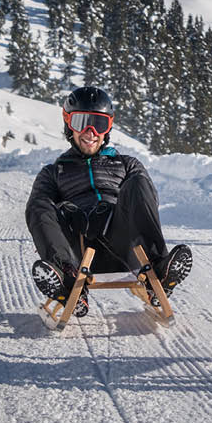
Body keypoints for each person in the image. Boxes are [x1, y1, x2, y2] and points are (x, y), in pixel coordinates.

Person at [25, 85, 192, 315]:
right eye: (82, 122)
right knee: (38, 203)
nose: (91, 132)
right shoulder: (54, 172)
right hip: (77, 249)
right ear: (68, 124)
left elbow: (147, 199)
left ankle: (158, 270)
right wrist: (66, 210)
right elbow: (39, 212)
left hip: (126, 246)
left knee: (138, 183)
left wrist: (111, 209)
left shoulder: (127, 164)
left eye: (99, 124)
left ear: (108, 127)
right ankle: (66, 280)